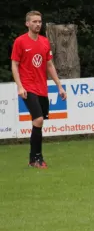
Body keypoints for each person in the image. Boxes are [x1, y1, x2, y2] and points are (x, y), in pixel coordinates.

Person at [11, 11, 67, 168]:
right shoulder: (20, 42)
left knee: (39, 123)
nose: (37, 24)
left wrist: (59, 86)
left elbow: (49, 65)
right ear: (27, 23)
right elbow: (14, 64)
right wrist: (20, 86)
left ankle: (32, 159)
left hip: (42, 87)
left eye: (39, 21)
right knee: (38, 119)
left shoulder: (44, 42)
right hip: (28, 87)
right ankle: (37, 158)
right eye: (34, 21)